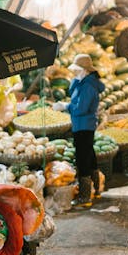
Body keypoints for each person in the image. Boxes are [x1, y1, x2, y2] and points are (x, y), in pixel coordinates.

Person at [53, 53, 104, 208]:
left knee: (83, 160)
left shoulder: (89, 86)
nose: (74, 73)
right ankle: (96, 189)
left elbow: (80, 108)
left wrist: (65, 106)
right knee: (90, 155)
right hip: (82, 124)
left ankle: (84, 197)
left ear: (85, 70)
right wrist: (76, 80)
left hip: (84, 125)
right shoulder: (83, 82)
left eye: (77, 71)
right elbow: (72, 92)